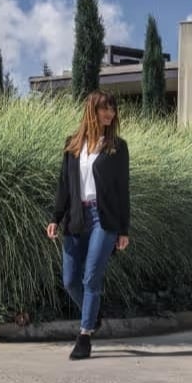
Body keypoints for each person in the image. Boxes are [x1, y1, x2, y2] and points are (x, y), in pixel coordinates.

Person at [47, 91, 131, 360]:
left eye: (112, 109)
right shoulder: (72, 145)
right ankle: (93, 314)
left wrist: (124, 230)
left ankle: (84, 336)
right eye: (104, 109)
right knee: (70, 280)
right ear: (91, 111)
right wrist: (55, 218)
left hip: (103, 219)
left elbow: (122, 190)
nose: (110, 114)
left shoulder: (117, 147)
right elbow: (64, 185)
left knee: (91, 277)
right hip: (76, 217)